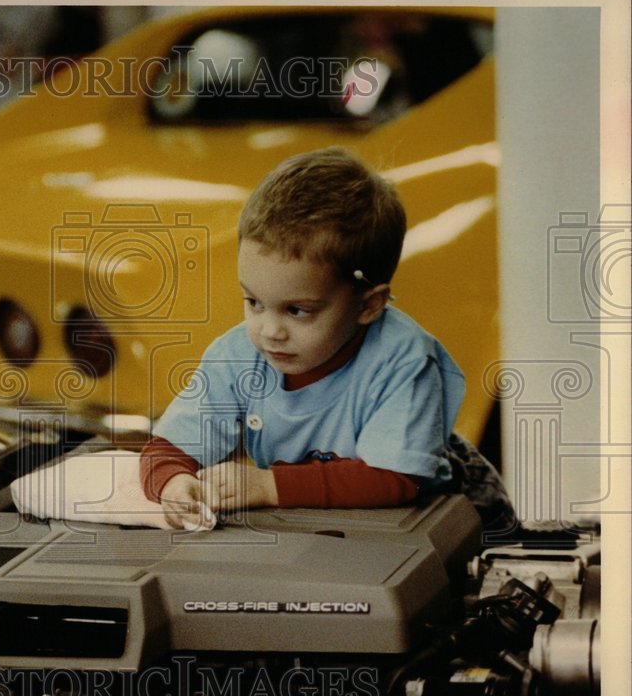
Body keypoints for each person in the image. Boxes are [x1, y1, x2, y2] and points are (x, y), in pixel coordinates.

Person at [139, 146, 515, 533]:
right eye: (254, 302)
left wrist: (269, 485)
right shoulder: (237, 356)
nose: (270, 331)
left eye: (297, 310)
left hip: (453, 512)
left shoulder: (405, 359)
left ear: (368, 305)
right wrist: (171, 481)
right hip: (335, 520)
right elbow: (167, 449)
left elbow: (396, 478)